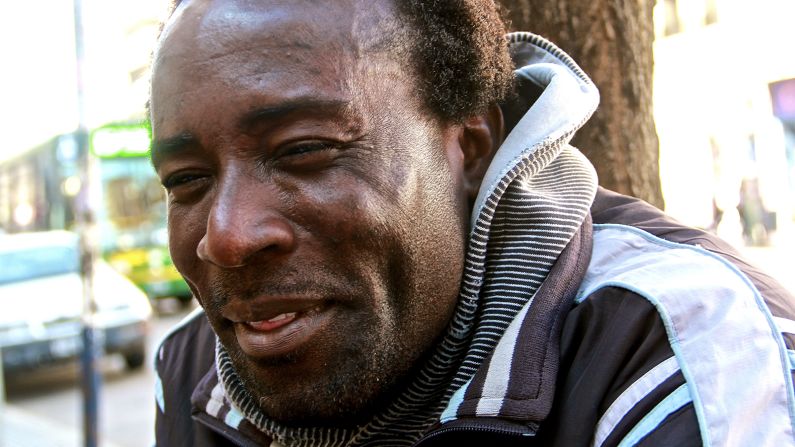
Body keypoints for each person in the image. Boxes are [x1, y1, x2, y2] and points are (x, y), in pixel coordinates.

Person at [149, 1, 795, 446]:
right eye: (186, 181)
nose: (227, 236)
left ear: (471, 145)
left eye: (302, 150)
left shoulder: (680, 350)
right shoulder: (189, 372)